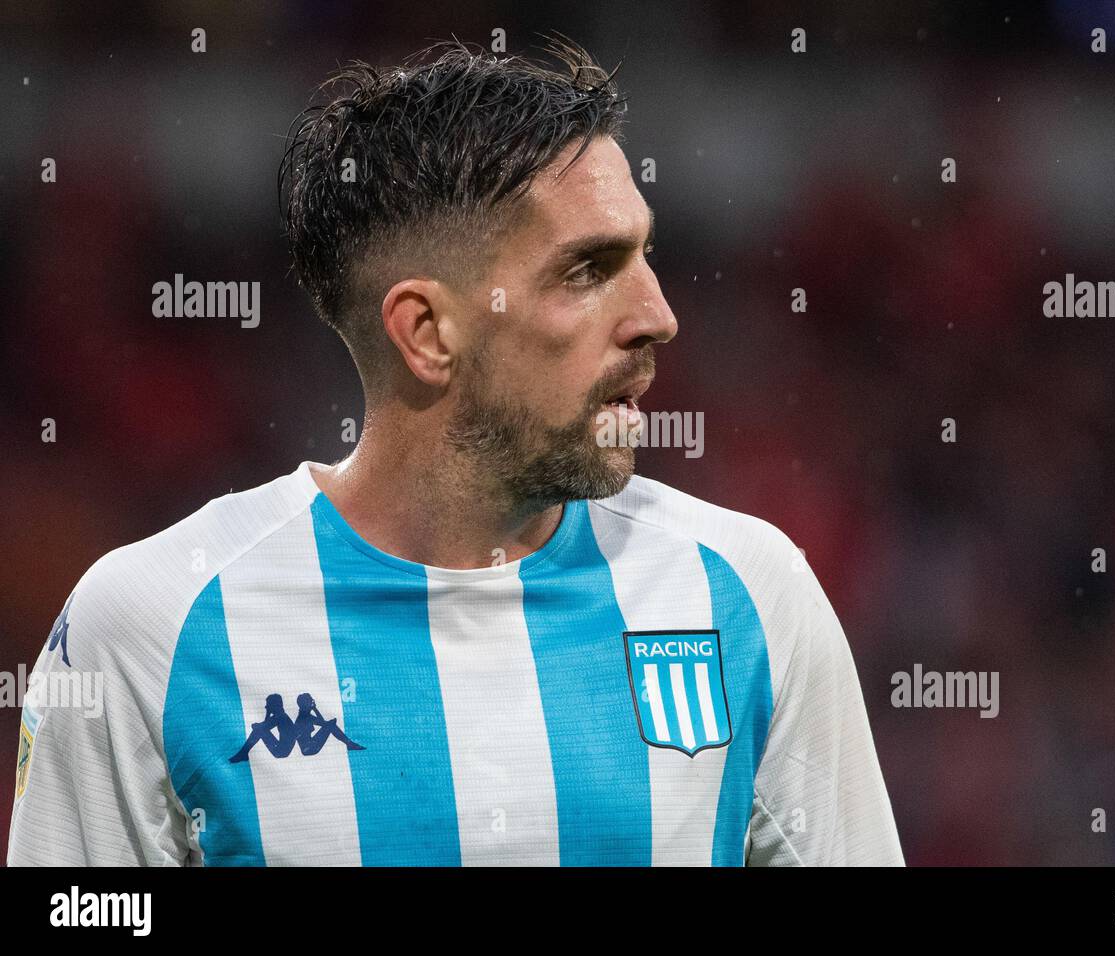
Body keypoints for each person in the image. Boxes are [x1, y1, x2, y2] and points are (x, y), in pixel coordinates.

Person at [7, 37, 904, 867]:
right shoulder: (149, 627)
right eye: (589, 270)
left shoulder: (747, 594)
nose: (658, 316)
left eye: (647, 256)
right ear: (428, 332)